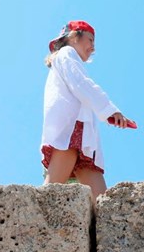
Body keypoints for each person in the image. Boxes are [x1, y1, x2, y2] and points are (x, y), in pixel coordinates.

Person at [41, 20, 134, 202]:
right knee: (49, 196)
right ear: (74, 37)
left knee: (102, 203)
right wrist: (110, 110)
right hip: (71, 129)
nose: (93, 47)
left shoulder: (64, 59)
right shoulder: (67, 54)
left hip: (79, 133)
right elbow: (81, 83)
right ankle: (30, 227)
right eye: (90, 40)